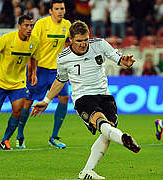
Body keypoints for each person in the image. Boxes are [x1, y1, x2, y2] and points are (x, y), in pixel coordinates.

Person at [31, 20, 140, 179]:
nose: (83, 44)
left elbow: (120, 60)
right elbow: (60, 80)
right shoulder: (63, 58)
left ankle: (87, 171)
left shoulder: (100, 44)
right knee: (102, 122)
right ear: (70, 40)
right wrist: (46, 101)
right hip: (82, 97)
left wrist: (127, 63)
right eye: (79, 41)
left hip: (104, 95)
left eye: (85, 40)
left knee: (107, 133)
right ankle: (123, 139)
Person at [0, 15, 39, 150]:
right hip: (0, 81)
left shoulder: (34, 41)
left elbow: (34, 57)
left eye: (31, 26)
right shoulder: (7, 38)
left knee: (18, 111)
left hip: (18, 83)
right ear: (19, 26)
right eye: (26, 25)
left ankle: (5, 140)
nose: (29, 28)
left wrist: (33, 73)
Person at [16, 0, 72, 149]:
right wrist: (31, 71)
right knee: (28, 102)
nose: (60, 11)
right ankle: (20, 135)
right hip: (39, 69)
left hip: (57, 71)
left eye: (62, 8)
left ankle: (54, 136)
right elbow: (31, 47)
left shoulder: (67, 25)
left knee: (65, 97)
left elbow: (70, 45)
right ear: (50, 11)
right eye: (57, 8)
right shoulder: (41, 24)